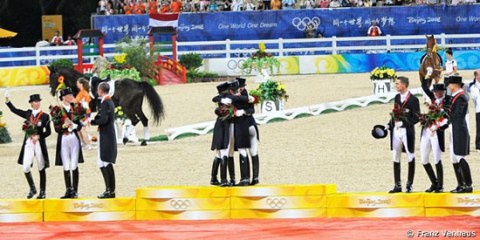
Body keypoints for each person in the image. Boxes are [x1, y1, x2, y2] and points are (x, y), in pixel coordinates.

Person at [5, 92, 51, 199]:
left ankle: (43, 191)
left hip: (39, 143)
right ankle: (32, 188)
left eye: (38, 101)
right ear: (31, 103)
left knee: (41, 167)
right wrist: (7, 101)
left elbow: (48, 132)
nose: (37, 103)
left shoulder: (45, 116)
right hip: (29, 143)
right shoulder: (28, 114)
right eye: (35, 102)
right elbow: (15, 110)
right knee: (25, 167)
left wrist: (39, 136)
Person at [388, 76, 420, 193]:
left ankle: (409, 184)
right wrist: (390, 124)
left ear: (404, 85)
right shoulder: (397, 97)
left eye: (397, 84)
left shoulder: (413, 100)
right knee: (395, 156)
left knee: (410, 156)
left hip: (407, 131)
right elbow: (394, 113)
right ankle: (397, 184)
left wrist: (406, 123)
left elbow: (417, 117)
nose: (395, 86)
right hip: (396, 131)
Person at [419, 84, 450, 193]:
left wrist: (439, 126)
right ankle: (434, 182)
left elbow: (448, 117)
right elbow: (424, 86)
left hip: (437, 132)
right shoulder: (432, 99)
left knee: (437, 158)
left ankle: (440, 185)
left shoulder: (447, 101)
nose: (438, 93)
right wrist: (427, 73)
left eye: (440, 91)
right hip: (427, 130)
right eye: (436, 91)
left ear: (443, 91)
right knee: (423, 159)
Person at [54, 88, 84, 199]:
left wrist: (75, 126)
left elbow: (80, 125)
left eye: (71, 94)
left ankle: (75, 190)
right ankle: (68, 189)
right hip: (64, 138)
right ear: (63, 97)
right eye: (69, 95)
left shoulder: (75, 108)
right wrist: (64, 127)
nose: (71, 96)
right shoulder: (57, 109)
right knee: (66, 164)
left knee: (74, 164)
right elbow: (56, 128)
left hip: (74, 138)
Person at [91, 82, 117, 198]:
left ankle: (110, 190)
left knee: (106, 162)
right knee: (102, 162)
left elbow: (103, 120)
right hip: (104, 133)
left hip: (106, 134)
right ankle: (109, 189)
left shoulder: (106, 102)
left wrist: (92, 122)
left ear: (100, 90)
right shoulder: (106, 102)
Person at [447, 75, 473, 193]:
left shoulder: (461, 97)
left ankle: (468, 184)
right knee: (453, 157)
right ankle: (460, 183)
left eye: (449, 84)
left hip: (459, 129)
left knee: (460, 157)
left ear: (455, 85)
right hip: (453, 129)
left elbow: (458, 114)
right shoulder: (453, 97)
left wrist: (446, 117)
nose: (448, 86)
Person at [234, 78, 260, 185]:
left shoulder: (235, 98)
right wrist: (245, 110)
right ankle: (255, 178)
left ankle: (245, 178)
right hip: (252, 125)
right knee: (253, 151)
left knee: (243, 151)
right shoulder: (249, 97)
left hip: (242, 127)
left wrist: (241, 112)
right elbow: (252, 110)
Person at [210, 82, 231, 186]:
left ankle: (213, 178)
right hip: (223, 127)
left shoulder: (220, 101)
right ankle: (223, 179)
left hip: (218, 126)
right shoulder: (225, 103)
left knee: (218, 154)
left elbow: (215, 98)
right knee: (223, 154)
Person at [75, 78, 92, 150]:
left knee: (82, 129)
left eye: (77, 83)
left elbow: (75, 101)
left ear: (81, 84)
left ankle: (87, 144)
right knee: (80, 129)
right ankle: (84, 143)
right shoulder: (85, 92)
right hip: (86, 112)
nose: (76, 84)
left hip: (84, 113)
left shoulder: (82, 93)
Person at [468, 70, 480, 152]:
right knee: (479, 128)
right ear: (476, 76)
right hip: (479, 109)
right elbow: (475, 97)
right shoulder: (472, 86)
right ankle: (478, 146)